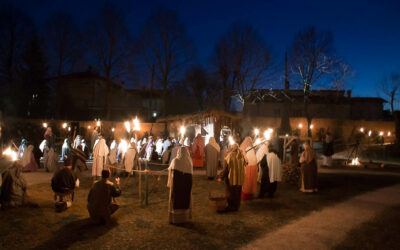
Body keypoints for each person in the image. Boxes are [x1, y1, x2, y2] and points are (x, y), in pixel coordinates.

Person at [217, 143, 246, 212]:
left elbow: (226, 168)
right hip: (239, 178)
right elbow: (245, 164)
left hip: (231, 178)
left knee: (231, 192)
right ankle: (237, 206)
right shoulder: (241, 156)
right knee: (238, 192)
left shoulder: (229, 156)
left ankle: (231, 206)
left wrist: (221, 177)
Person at [167, 146, 193, 224]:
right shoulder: (189, 161)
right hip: (186, 187)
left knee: (175, 199)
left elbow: (170, 171)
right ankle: (184, 219)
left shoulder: (175, 161)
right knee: (185, 199)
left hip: (176, 186)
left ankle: (175, 219)